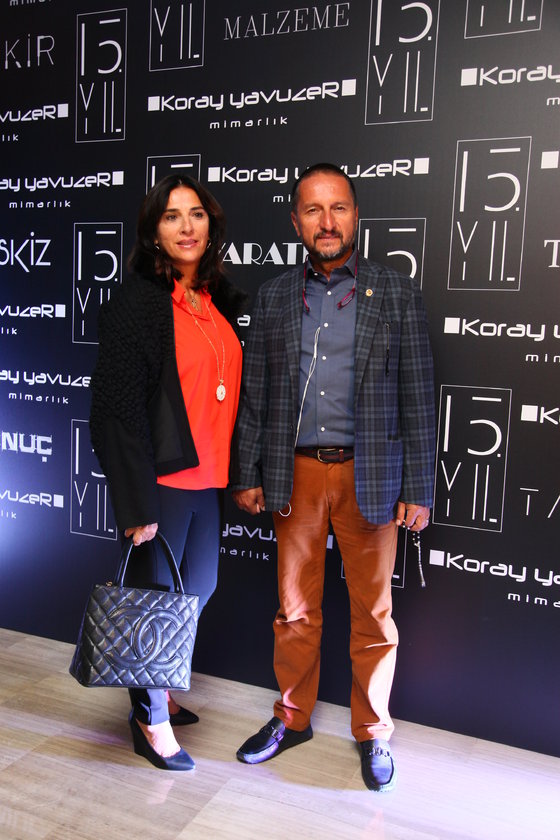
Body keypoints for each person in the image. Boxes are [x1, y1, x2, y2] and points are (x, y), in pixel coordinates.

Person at [230, 162, 435, 792]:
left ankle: (373, 732)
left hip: (369, 473)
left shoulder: (394, 291)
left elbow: (418, 394)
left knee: (374, 614)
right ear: (295, 221)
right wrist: (247, 471)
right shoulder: (272, 297)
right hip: (294, 472)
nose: (327, 221)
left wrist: (419, 488)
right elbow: (255, 394)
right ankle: (291, 719)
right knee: (295, 611)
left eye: (338, 207)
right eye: (313, 210)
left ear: (355, 216)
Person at [89, 174, 245, 771]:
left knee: (197, 590)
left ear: (211, 225)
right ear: (154, 231)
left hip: (208, 478)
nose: (186, 226)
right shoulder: (140, 302)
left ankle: (158, 683)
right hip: (161, 482)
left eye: (196, 214)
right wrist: (135, 505)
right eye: (172, 215)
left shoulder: (214, 299)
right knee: (154, 599)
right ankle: (150, 720)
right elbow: (115, 409)